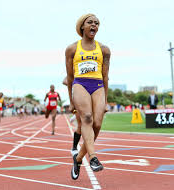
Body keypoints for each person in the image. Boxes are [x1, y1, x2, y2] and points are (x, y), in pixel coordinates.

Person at [65, 13, 111, 179]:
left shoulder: (104, 50)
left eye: (97, 23)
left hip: (97, 85)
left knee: (97, 125)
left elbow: (105, 77)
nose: (94, 25)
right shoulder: (72, 49)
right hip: (80, 84)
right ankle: (93, 158)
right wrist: (71, 101)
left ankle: (78, 159)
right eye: (90, 22)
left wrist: (105, 100)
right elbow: (69, 77)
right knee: (87, 118)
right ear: (82, 27)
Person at [63, 76, 82, 156]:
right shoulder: (75, 69)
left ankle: (76, 115)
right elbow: (64, 81)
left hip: (91, 94)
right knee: (81, 125)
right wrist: (75, 84)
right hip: (79, 97)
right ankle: (74, 147)